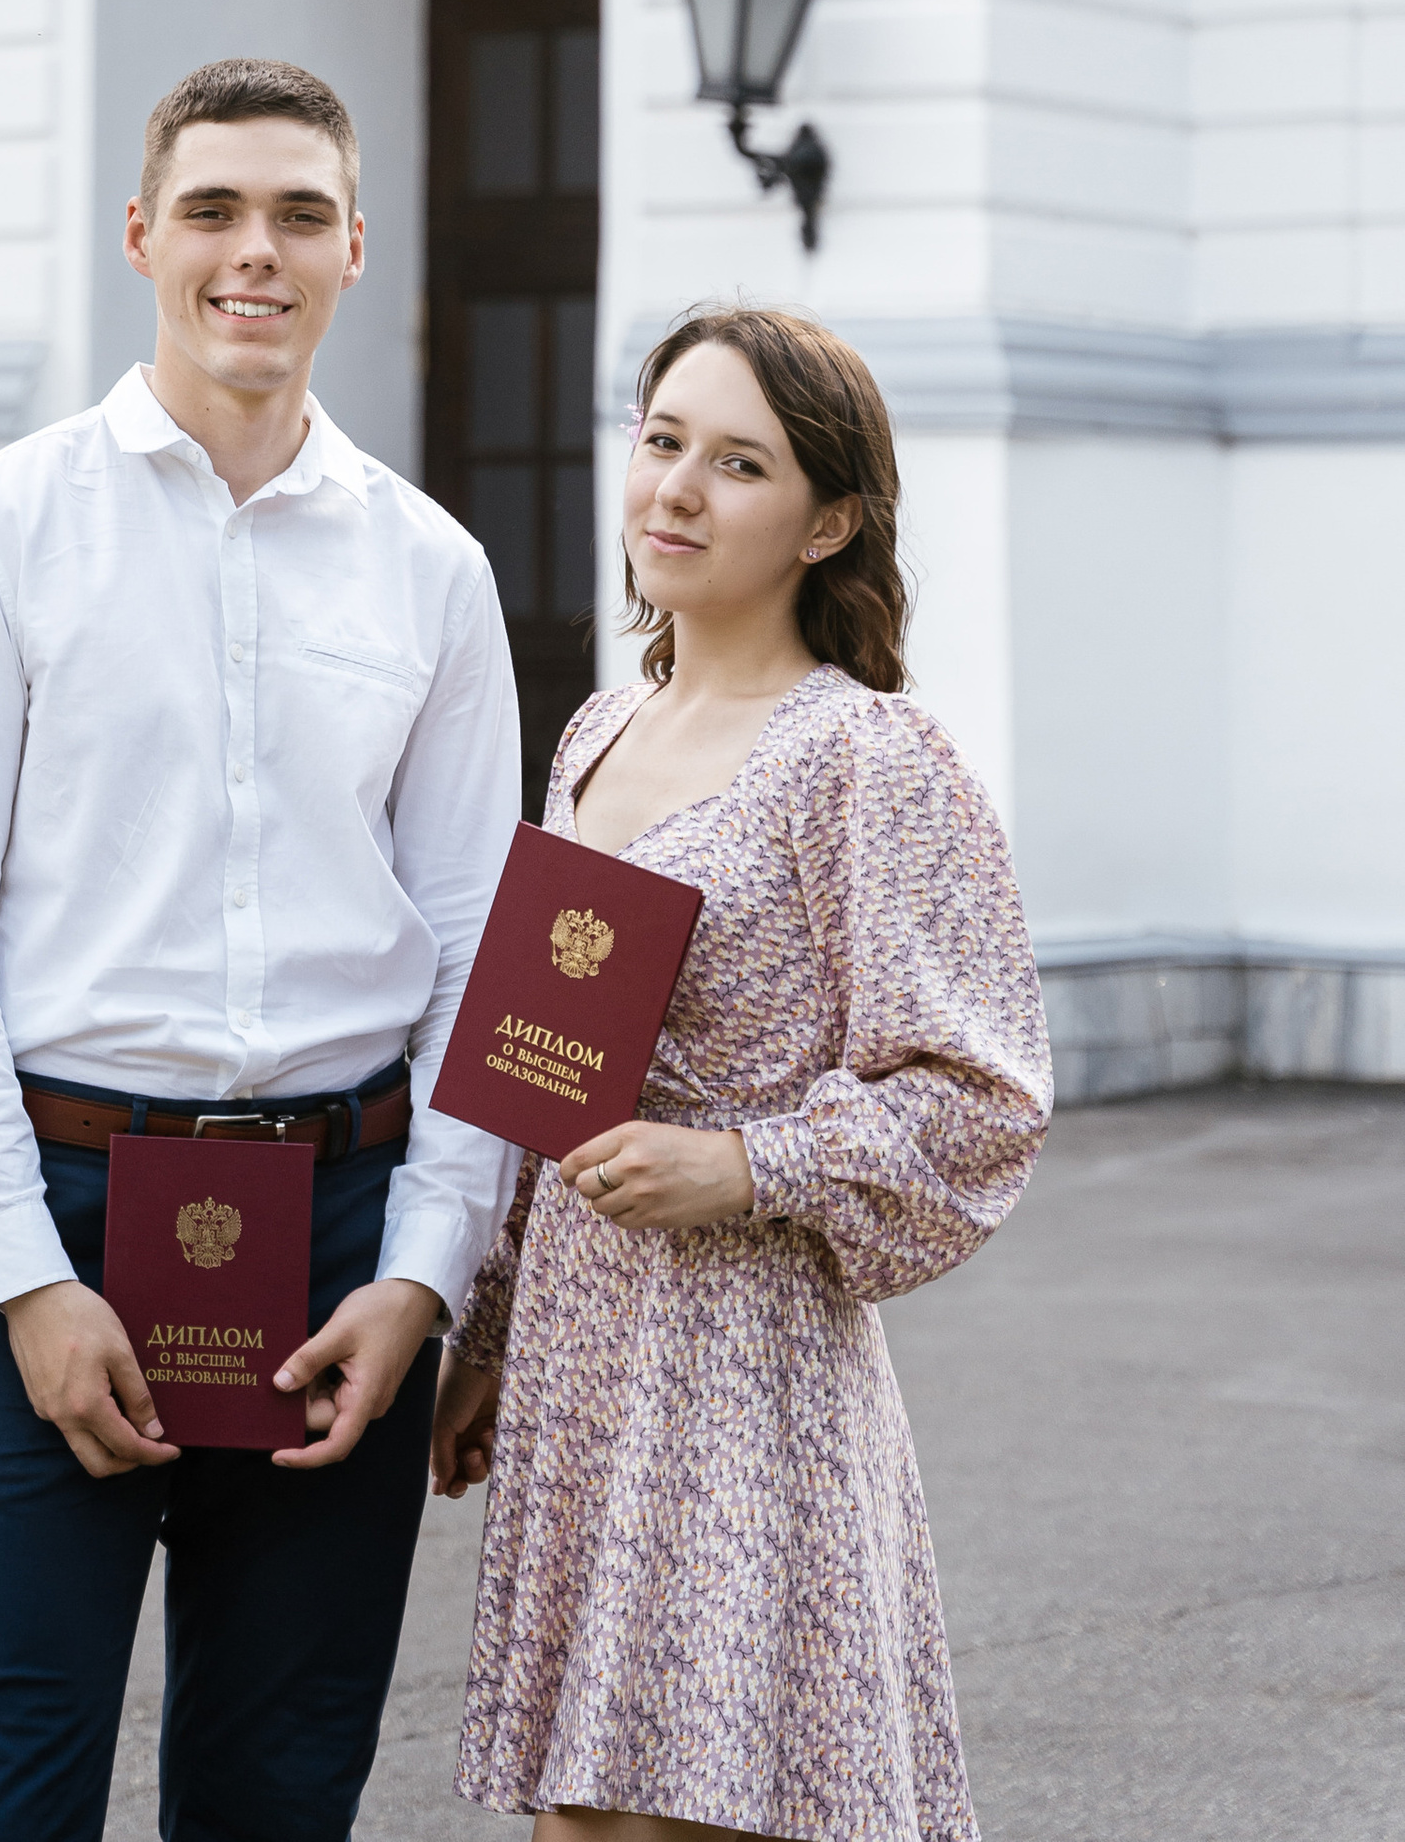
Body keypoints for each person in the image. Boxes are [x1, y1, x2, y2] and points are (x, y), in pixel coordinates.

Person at [0, 56, 523, 1842]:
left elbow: (476, 950)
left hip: (342, 1238)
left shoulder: (433, 569)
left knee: (278, 1800)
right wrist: (22, 1274)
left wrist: (427, 1275)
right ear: (142, 234)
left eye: (300, 215)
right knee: (1, 1800)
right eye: (215, 211)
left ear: (356, 247)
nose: (257, 253)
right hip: (54, 1211)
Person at [433, 303, 1052, 1842]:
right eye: (662, 443)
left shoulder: (868, 758)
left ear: (829, 522)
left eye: (739, 463)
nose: (676, 490)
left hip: (742, 1368)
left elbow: (984, 1099)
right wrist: (491, 1330)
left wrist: (744, 1164)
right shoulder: (597, 729)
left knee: (682, 1812)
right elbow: (549, 1078)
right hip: (584, 1360)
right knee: (586, 1812)